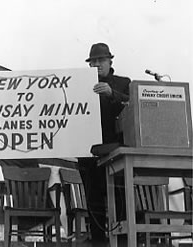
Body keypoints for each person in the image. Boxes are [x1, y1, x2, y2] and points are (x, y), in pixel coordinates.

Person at [78, 43, 131, 246]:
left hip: (116, 151)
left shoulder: (123, 83)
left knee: (120, 198)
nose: (97, 64)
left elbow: (133, 104)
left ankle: (123, 241)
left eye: (101, 60)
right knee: (93, 201)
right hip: (89, 152)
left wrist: (112, 94)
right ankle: (99, 241)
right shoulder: (80, 84)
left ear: (110, 61)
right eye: (94, 61)